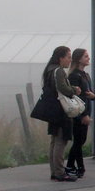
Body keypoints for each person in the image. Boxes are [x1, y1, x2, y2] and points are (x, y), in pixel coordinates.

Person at [36, 45, 78, 182]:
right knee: (61, 140)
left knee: (54, 141)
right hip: (60, 110)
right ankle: (60, 172)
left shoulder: (49, 70)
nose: (70, 60)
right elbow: (63, 88)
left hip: (52, 109)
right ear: (61, 58)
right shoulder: (58, 71)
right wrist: (74, 90)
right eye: (68, 57)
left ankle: (54, 171)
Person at [65, 48, 95, 178]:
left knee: (80, 140)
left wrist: (93, 95)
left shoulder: (86, 75)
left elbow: (90, 93)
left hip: (87, 109)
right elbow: (75, 97)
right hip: (79, 113)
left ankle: (72, 165)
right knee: (79, 140)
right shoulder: (74, 76)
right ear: (78, 59)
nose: (88, 58)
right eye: (85, 56)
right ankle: (77, 166)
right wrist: (83, 115)